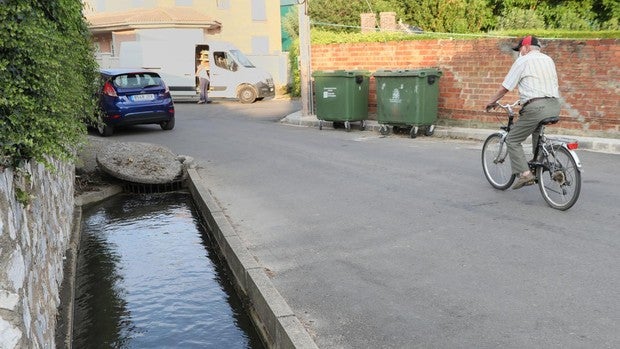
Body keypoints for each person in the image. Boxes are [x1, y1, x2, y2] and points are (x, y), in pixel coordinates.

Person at [485, 36, 561, 189]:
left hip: (536, 108)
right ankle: (541, 162)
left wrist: (491, 102)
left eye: (519, 49)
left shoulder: (523, 61)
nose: (519, 52)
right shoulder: (548, 60)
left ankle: (526, 175)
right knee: (536, 132)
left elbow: (505, 87)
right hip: (554, 105)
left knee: (512, 140)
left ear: (525, 47)